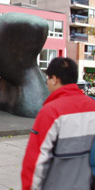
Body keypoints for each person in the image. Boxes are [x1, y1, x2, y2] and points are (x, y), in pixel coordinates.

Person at [21, 57, 95, 190]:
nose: (47, 83)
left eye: (48, 79)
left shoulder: (51, 112)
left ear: (55, 79)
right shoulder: (92, 106)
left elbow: (36, 161)